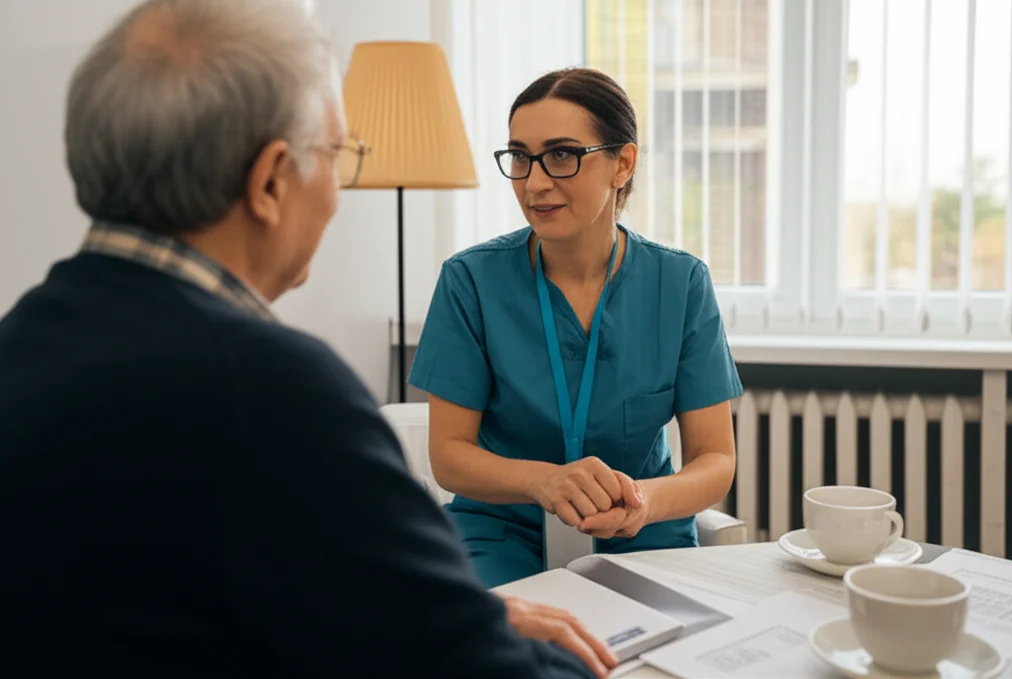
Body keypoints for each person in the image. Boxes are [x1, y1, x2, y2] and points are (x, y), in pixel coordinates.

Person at [0, 2, 615, 677]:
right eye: (335, 155)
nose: (336, 189)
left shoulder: (24, 341)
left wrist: (447, 609)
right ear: (269, 182)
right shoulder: (275, 393)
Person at [409, 67, 743, 588]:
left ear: (622, 163)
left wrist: (644, 501)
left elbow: (715, 458)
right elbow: (450, 456)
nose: (534, 182)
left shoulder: (679, 283)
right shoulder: (470, 281)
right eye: (521, 157)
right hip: (500, 532)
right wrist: (544, 482)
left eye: (562, 155)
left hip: (642, 533)